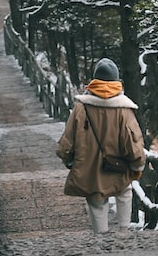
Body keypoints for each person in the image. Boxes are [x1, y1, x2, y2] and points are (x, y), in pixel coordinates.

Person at [56, 58, 146, 234]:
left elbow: (68, 139)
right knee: (124, 190)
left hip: (89, 168)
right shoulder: (124, 109)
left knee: (96, 199)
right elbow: (133, 141)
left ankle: (101, 238)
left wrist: (68, 161)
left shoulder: (81, 107)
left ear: (94, 80)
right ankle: (123, 231)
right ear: (116, 81)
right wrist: (137, 165)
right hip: (118, 165)